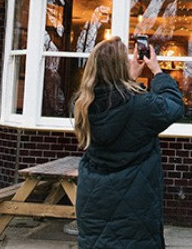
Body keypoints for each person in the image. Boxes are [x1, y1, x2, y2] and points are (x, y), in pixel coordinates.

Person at [73, 36, 185, 249]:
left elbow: (114, 100)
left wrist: (129, 78)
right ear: (119, 69)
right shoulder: (142, 106)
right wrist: (157, 71)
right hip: (135, 201)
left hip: (95, 199)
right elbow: (174, 106)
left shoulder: (82, 104)